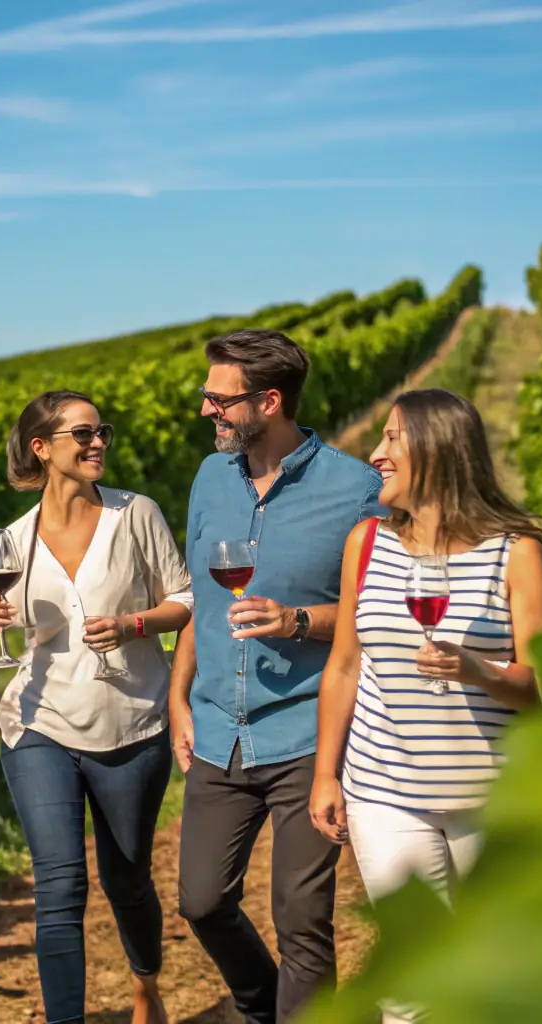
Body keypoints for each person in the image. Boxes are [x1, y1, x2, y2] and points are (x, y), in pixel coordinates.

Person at [308, 388, 542, 1022]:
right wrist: (326, 774)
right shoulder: (366, 543)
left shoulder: (517, 551)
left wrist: (480, 671)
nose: (376, 453)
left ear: (439, 447)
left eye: (392, 439)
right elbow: (343, 664)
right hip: (385, 791)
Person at [169, 330, 385, 1024]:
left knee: (302, 924)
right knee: (199, 900)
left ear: (268, 401)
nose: (205, 409)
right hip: (217, 733)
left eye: (218, 398)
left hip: (304, 731)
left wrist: (294, 621)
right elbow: (204, 604)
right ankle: (259, 1005)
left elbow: (372, 613)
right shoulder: (208, 479)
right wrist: (177, 697)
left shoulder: (356, 490)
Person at [0, 390, 193, 1024]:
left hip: (132, 722)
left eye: (103, 431)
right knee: (60, 885)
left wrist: (133, 624)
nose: (98, 442)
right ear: (43, 448)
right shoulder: (12, 541)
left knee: (126, 880)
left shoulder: (137, 515)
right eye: (83, 434)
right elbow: (17, 629)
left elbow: (184, 599)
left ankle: (145, 982)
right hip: (39, 723)